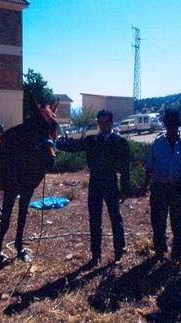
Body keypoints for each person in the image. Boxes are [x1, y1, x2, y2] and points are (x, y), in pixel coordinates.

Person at [56, 109, 131, 267]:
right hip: (95, 182)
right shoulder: (92, 140)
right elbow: (74, 146)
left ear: (112, 122)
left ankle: (119, 251)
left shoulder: (120, 142)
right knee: (94, 219)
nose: (103, 126)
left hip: (111, 182)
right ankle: (96, 255)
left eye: (106, 122)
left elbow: (125, 168)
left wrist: (124, 190)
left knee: (115, 217)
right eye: (100, 122)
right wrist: (56, 142)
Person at [139, 110, 181, 261]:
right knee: (158, 222)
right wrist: (145, 186)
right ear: (165, 125)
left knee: (178, 224)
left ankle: (176, 254)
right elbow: (149, 166)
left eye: (174, 124)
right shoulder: (158, 142)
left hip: (179, 188)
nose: (171, 127)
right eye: (168, 124)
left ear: (178, 125)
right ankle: (160, 251)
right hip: (159, 188)